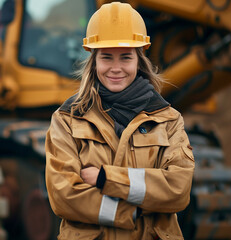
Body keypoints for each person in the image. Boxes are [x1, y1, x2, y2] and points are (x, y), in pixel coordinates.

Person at [45, 2, 195, 239]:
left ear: (139, 59)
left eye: (125, 57)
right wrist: (132, 212)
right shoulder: (67, 121)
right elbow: (64, 197)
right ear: (94, 61)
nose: (116, 68)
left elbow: (178, 190)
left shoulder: (168, 120)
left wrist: (105, 178)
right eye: (107, 58)